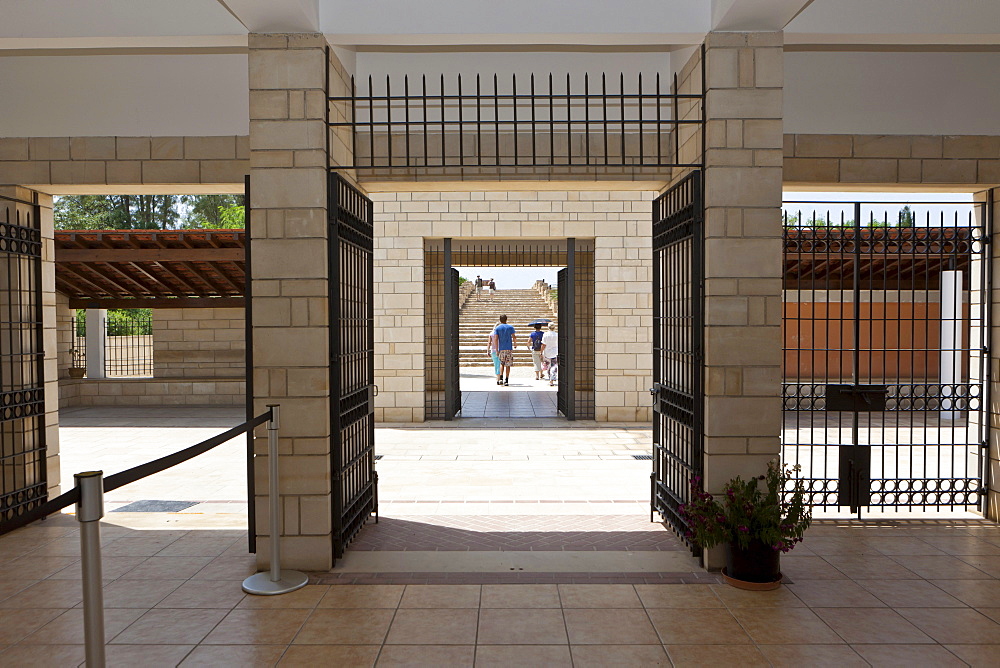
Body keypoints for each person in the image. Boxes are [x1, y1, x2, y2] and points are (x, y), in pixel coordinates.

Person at [493, 314, 516, 386]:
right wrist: (515, 344)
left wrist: (497, 349)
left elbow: (496, 339)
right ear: (506, 319)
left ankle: (501, 378)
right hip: (508, 348)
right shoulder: (510, 327)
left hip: (501, 348)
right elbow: (514, 336)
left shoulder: (497, 328)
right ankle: (506, 379)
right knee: (508, 364)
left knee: (501, 363)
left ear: (500, 320)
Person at [540, 322, 558, 386]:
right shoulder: (556, 335)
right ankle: (552, 379)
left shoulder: (545, 334)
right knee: (554, 365)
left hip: (547, 352)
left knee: (549, 366)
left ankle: (550, 378)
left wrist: (541, 352)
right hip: (555, 352)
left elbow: (543, 344)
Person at [487, 319, 502, 384]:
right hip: (500, 350)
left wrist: (487, 350)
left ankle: (497, 377)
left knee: (496, 364)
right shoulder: (500, 334)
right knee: (500, 364)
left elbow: (489, 343)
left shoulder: (491, 333)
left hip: (493, 350)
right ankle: (499, 377)